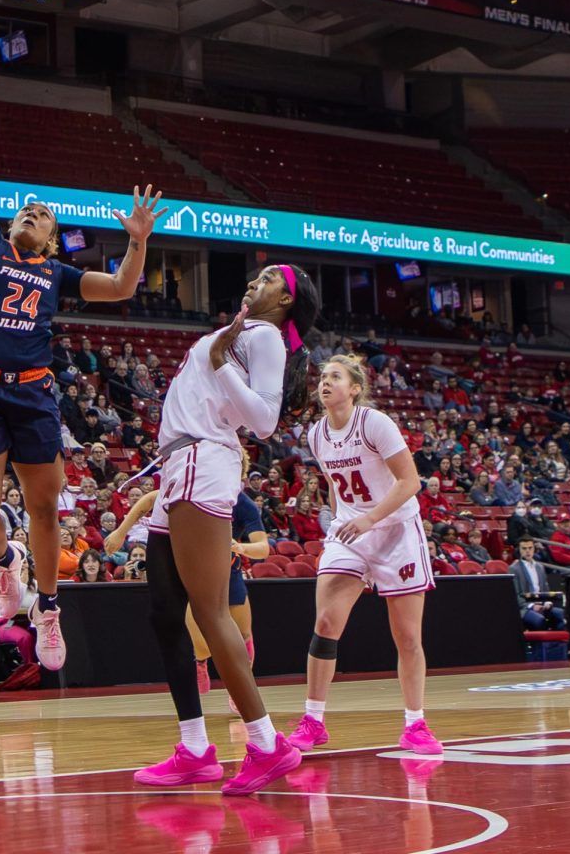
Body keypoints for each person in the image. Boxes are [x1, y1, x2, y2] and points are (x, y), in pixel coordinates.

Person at [0, 51, 166, 671]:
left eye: (43, 214)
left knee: (46, 505)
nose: (31, 211)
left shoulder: (57, 272)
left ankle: (47, 607)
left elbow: (124, 289)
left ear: (51, 238)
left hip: (32, 392)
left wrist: (137, 245)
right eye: (25, 208)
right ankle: (5, 564)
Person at [134, 264, 319, 795]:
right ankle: (194, 748)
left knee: (210, 611)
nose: (253, 280)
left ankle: (264, 743)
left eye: (267, 277)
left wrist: (221, 366)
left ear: (285, 297)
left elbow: (264, 420)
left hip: (200, 460)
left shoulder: (265, 338)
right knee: (164, 610)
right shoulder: (240, 332)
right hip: (179, 464)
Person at [286, 355, 442, 758]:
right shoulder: (317, 434)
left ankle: (415, 724)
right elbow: (337, 490)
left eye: (334, 377)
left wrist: (370, 519)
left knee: (407, 637)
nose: (325, 383)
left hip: (394, 531)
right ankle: (313, 721)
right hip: (351, 532)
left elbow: (410, 482)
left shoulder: (375, 423)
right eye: (322, 377)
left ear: (354, 388)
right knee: (325, 622)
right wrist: (343, 521)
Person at [511, 538, 565, 630]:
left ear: (534, 549)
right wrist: (532, 606)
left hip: (542, 605)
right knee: (539, 620)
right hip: (525, 608)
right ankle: (540, 644)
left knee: (561, 615)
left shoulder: (540, 567)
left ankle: (557, 644)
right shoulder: (514, 569)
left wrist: (547, 602)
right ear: (519, 550)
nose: (527, 551)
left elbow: (545, 590)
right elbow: (515, 595)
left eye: (530, 548)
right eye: (524, 548)